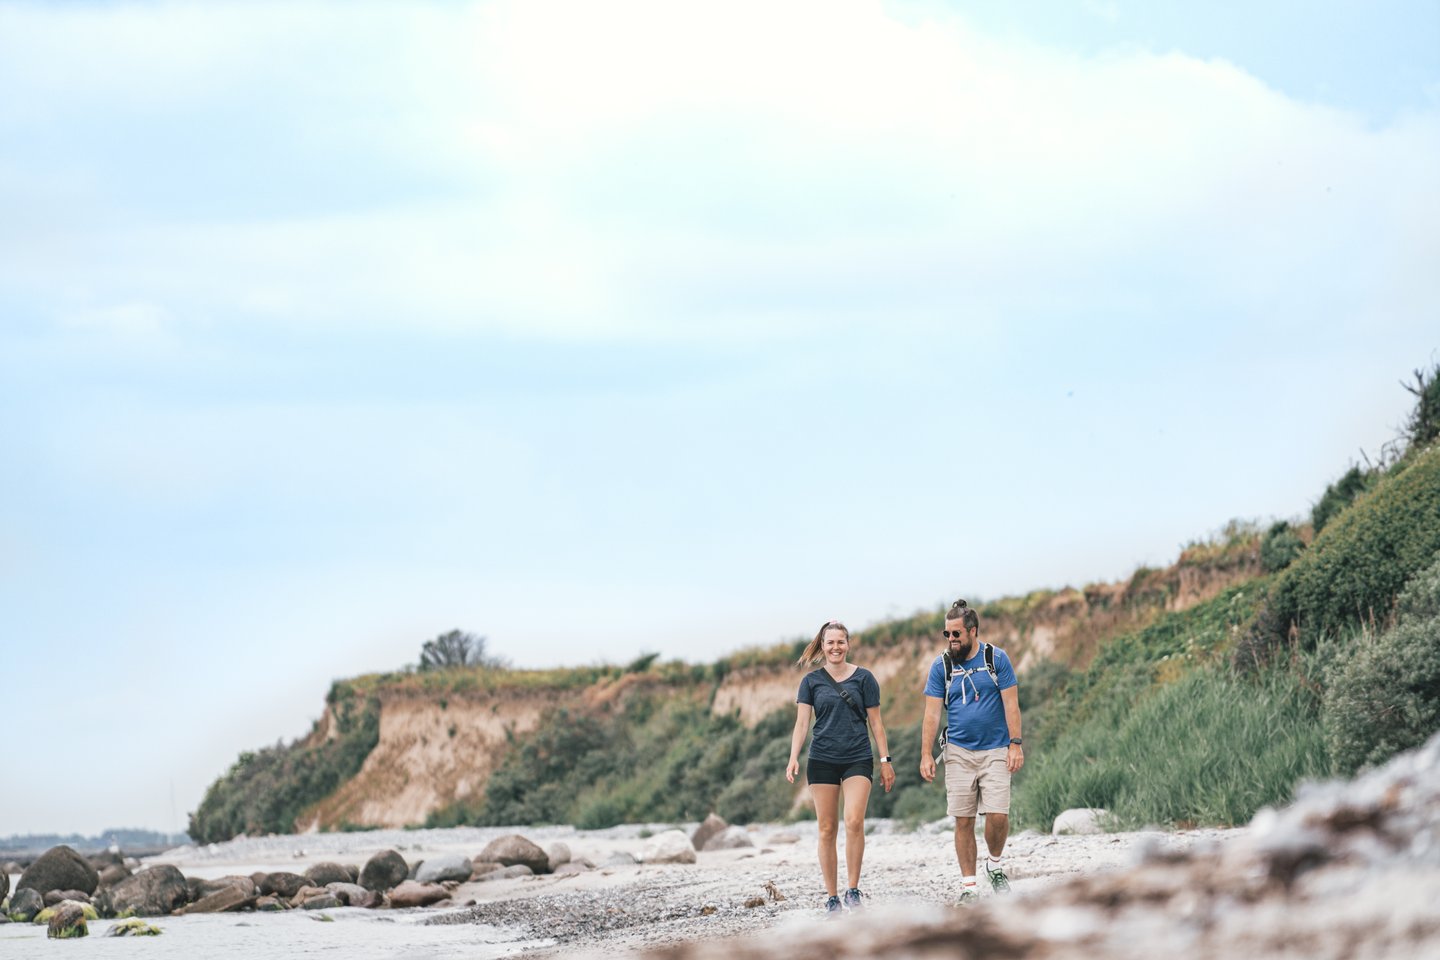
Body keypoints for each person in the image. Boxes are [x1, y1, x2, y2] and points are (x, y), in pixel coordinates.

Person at [786, 619, 895, 914]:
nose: (836, 647)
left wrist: (886, 761)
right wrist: (793, 756)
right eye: (830, 642)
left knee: (854, 821)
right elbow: (802, 724)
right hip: (822, 759)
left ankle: (853, 890)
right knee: (826, 828)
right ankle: (832, 896)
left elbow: (877, 724)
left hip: (858, 756)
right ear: (822, 646)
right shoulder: (811, 681)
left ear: (848, 644)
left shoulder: (865, 678)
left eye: (840, 642)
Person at [919, 599, 1023, 904]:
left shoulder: (996, 658)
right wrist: (926, 754)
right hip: (958, 752)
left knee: (998, 815)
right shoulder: (942, 666)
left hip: (996, 749)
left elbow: (1011, 704)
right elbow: (931, 715)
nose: (951, 640)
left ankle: (994, 863)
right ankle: (970, 886)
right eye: (946, 634)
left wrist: (1015, 744)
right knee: (963, 819)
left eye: (956, 634)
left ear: (972, 631)